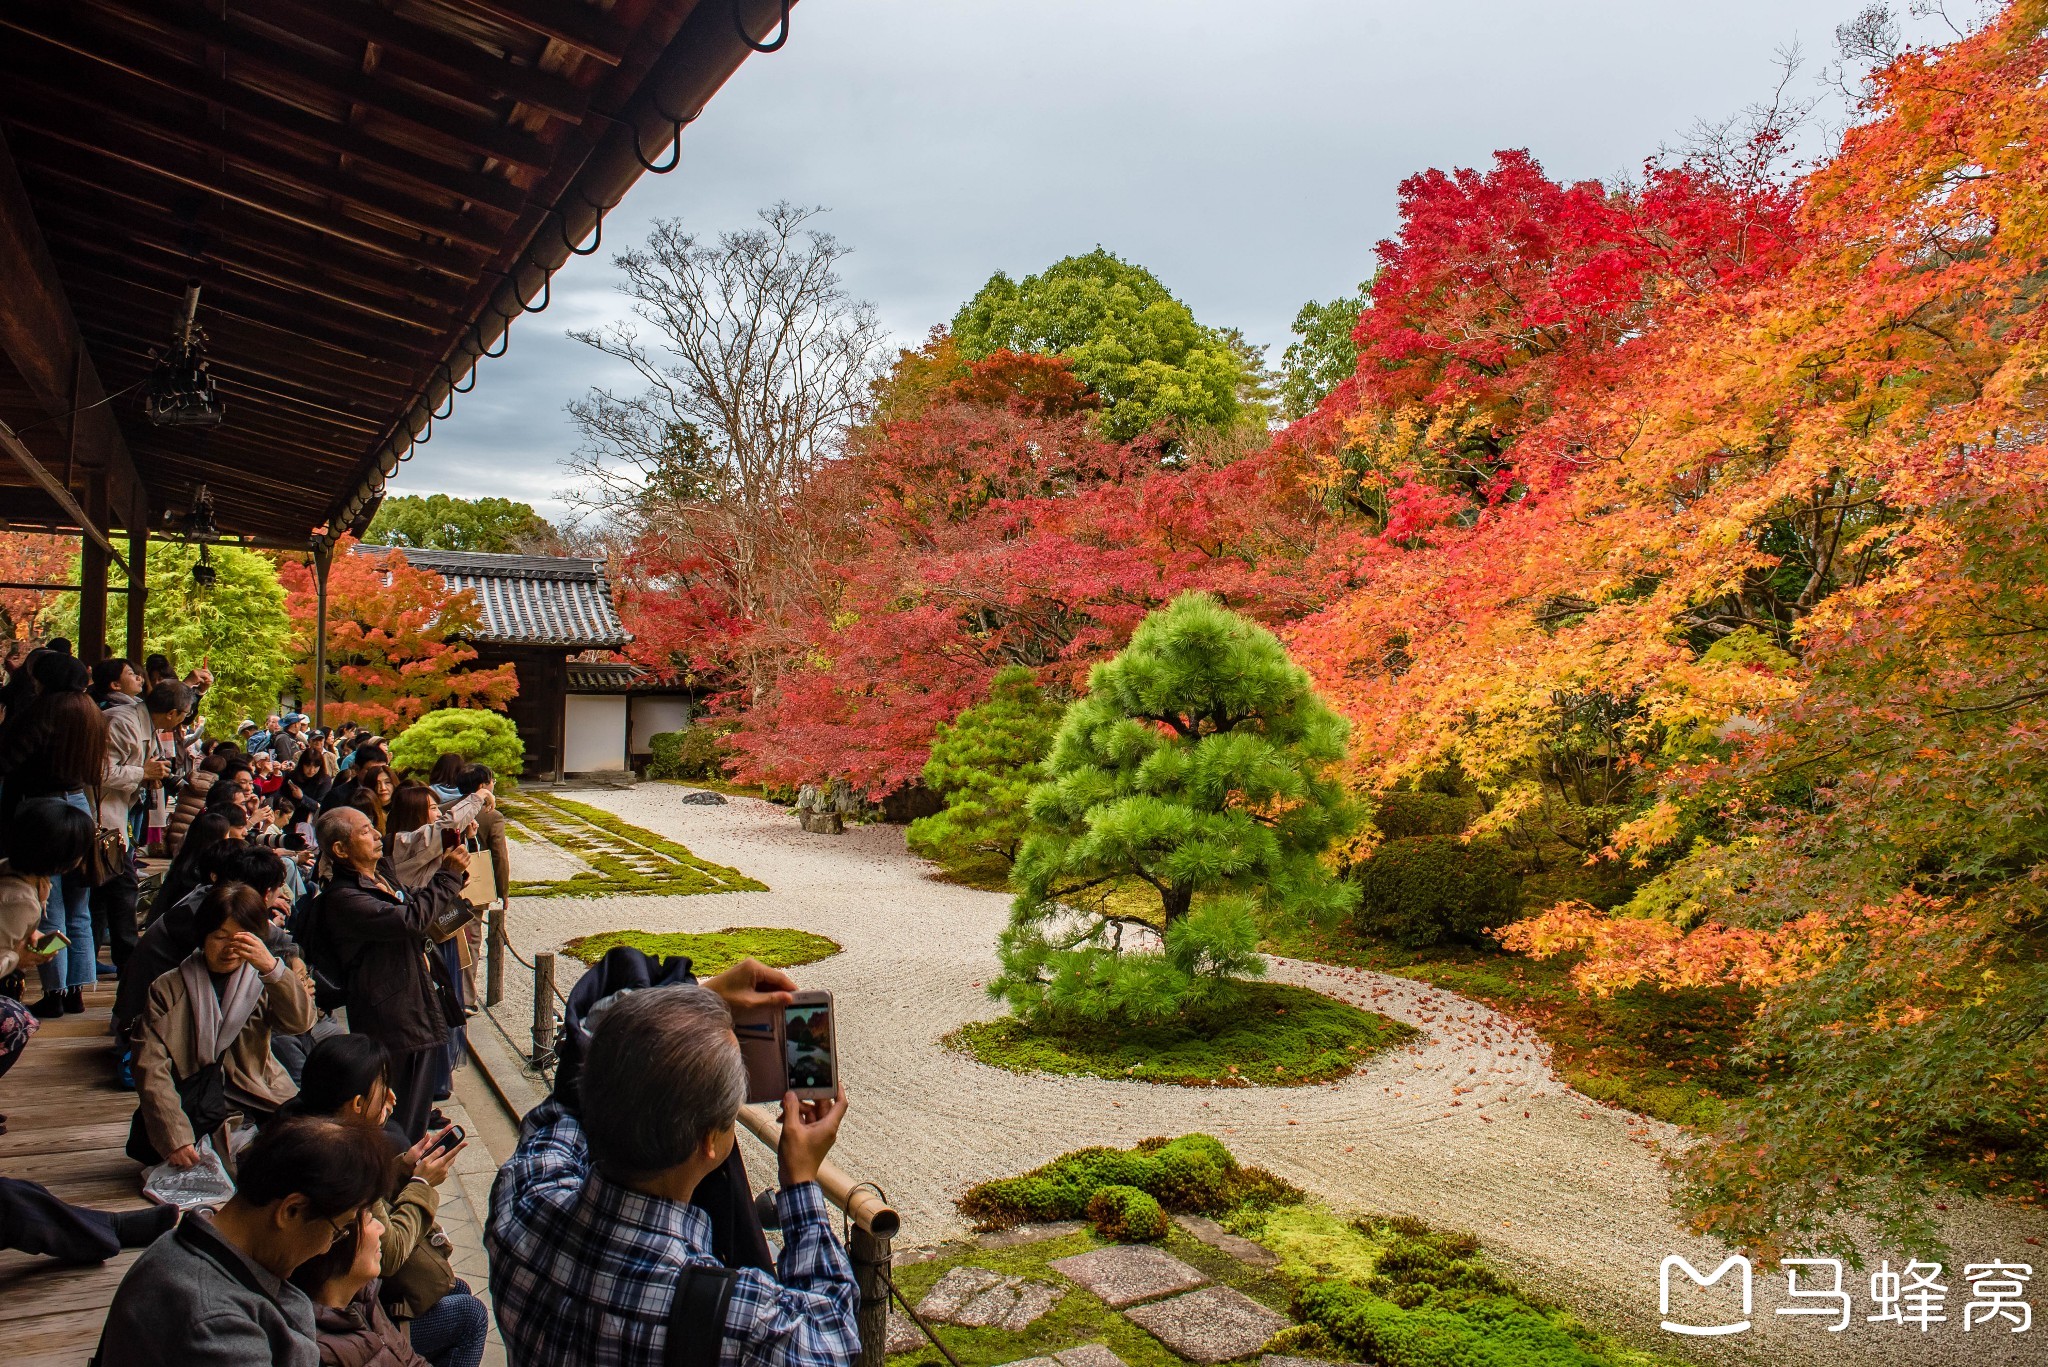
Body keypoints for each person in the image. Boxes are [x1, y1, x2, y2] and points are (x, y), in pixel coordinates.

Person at [487, 970, 860, 1367]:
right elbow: (832, 1334)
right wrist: (800, 1182)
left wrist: (699, 997)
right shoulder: (736, 1318)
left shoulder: (525, 1196)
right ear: (708, 1143)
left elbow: (583, 1057)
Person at [95, 1113, 391, 1367]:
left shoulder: (184, 1252)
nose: (328, 1247)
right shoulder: (217, 1326)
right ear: (291, 1210)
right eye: (338, 1230)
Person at [286, 1036, 490, 1367]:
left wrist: (399, 1171)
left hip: (358, 1304)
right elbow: (390, 1253)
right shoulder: (341, 1165)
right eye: (384, 1091)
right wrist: (422, 1184)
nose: (393, 1100)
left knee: (457, 1289)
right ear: (355, 1104)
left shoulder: (312, 1136)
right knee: (471, 1315)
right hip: (351, 1310)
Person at [131, 881, 317, 1167]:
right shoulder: (168, 988)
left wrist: (272, 968)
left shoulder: (262, 978)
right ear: (203, 936)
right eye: (220, 936)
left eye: (242, 938)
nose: (230, 947)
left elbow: (300, 1021)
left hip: (259, 1094)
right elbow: (151, 1067)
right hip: (194, 1104)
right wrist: (175, 1136)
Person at [314, 807, 468, 1141]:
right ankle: (395, 1174)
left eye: (372, 828)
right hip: (393, 1014)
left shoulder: (379, 874)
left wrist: (456, 874)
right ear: (340, 849)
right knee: (396, 1108)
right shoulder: (344, 898)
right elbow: (408, 919)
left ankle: (407, 1168)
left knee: (415, 1103)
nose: (375, 836)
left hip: (415, 1003)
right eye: (364, 832)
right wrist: (447, 877)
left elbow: (416, 905)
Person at [0, 654, 109, 1016]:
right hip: (80, 804)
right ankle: (78, 989)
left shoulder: (44, 709)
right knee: (79, 909)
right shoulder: (90, 710)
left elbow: (8, 757)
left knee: (48, 904)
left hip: (42, 809)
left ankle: (54, 992)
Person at [0, 798, 96, 1112]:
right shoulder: (20, 898)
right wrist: (20, 959)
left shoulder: (12, 871)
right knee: (19, 1022)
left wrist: (27, 937)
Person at [92, 665, 186, 975]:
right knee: (121, 889)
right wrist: (142, 773)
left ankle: (101, 962)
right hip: (101, 819)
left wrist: (145, 777)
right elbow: (99, 772)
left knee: (105, 895)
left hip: (116, 818)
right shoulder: (123, 722)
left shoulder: (141, 723)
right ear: (173, 714)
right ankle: (128, 961)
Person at [289, 1204, 431, 1367]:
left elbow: (411, 1360)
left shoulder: (364, 1294)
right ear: (335, 1241)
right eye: (370, 1221)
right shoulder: (323, 1353)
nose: (381, 1228)